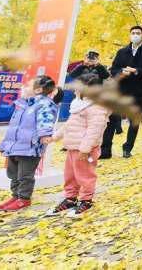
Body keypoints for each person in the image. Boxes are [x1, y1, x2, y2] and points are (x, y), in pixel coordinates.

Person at [0, 76, 62, 212]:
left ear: (38, 90)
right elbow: (13, 127)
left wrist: (44, 134)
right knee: (13, 173)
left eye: (28, 85)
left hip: (30, 147)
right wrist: (4, 144)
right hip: (15, 146)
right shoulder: (23, 104)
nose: (24, 86)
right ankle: (15, 196)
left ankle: (24, 199)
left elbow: (45, 120)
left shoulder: (45, 104)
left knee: (25, 175)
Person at [47, 73, 110, 216]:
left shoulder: (97, 107)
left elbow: (94, 130)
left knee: (85, 175)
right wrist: (55, 136)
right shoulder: (78, 104)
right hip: (72, 147)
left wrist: (85, 148)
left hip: (85, 149)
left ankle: (86, 200)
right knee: (70, 175)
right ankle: (70, 198)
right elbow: (69, 125)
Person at [101, 26, 142, 159]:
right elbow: (113, 69)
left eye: (138, 33)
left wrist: (135, 70)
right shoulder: (122, 52)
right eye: (133, 33)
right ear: (129, 35)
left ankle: (127, 148)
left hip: (140, 91)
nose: (135, 35)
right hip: (122, 90)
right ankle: (105, 149)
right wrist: (121, 72)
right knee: (112, 119)